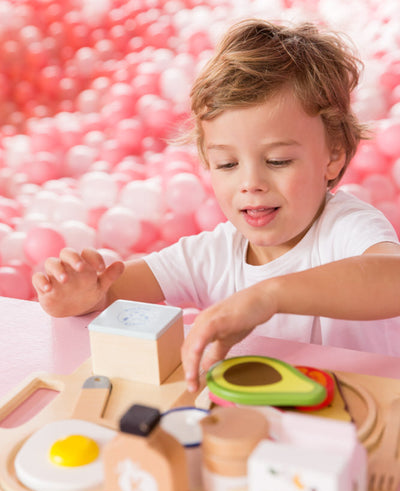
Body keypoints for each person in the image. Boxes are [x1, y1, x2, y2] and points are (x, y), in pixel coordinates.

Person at [33, 19, 400, 394]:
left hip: (366, 423)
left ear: (334, 156)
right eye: (227, 164)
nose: (250, 183)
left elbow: (394, 278)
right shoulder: (211, 255)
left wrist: (268, 297)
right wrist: (81, 295)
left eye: (278, 161)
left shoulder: (345, 228)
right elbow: (112, 288)